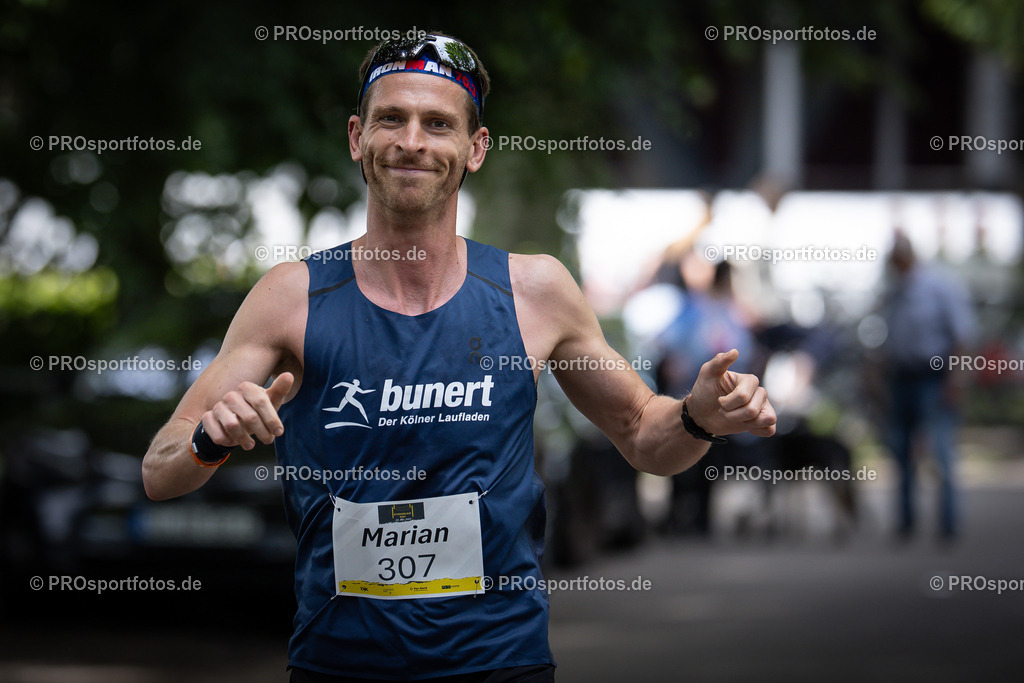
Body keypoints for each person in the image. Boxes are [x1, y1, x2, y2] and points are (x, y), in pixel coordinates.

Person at [141, 33, 776, 682]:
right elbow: (160, 471)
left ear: (476, 148)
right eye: (392, 118)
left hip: (499, 664)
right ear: (357, 137)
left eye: (438, 123)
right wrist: (207, 437)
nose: (412, 141)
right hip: (340, 665)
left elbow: (645, 436)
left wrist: (698, 416)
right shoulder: (291, 298)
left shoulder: (535, 292)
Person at [880, 231, 975, 541]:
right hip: (901, 378)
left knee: (941, 452)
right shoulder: (895, 291)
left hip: (934, 379)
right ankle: (906, 522)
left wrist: (956, 381)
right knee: (900, 451)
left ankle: (948, 524)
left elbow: (962, 337)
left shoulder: (940, 286)